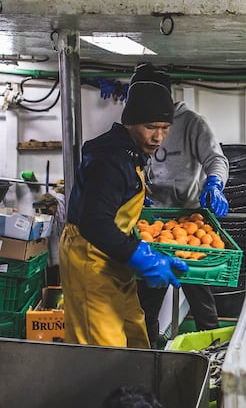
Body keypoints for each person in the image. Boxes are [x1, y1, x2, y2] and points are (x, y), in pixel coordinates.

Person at [59, 78, 189, 348]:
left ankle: (136, 389)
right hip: (90, 257)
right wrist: (141, 256)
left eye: (165, 128)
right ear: (130, 122)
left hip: (114, 256)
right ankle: (103, 391)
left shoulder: (132, 152)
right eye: (150, 127)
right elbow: (93, 222)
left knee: (134, 335)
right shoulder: (110, 160)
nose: (158, 137)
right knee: (103, 349)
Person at [133, 63, 230, 348]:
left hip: (187, 222)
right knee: (148, 297)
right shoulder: (136, 123)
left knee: (199, 293)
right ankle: (148, 353)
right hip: (150, 223)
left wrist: (214, 183)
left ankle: (210, 352)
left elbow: (216, 159)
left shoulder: (191, 122)